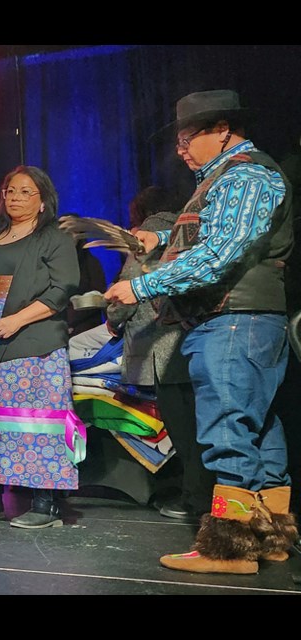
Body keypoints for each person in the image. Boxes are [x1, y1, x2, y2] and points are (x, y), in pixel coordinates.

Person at [105, 90, 296, 574]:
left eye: (189, 137)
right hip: (242, 322)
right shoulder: (222, 179)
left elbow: (219, 255)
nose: (180, 149)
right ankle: (269, 538)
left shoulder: (248, 173)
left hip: (235, 320)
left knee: (228, 429)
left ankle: (229, 549)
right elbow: (215, 232)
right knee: (260, 427)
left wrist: (141, 285)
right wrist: (162, 237)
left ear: (224, 130)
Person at [0, 166, 81, 529]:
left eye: (25, 192)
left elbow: (62, 289)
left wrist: (17, 320)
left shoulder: (54, 238)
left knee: (36, 424)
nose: (14, 198)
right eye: (9, 191)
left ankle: (45, 506)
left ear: (43, 200)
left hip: (33, 341)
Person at [106, 187, 213, 522]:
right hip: (194, 339)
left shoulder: (148, 235)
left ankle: (197, 502)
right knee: (201, 426)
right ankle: (206, 498)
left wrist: (113, 319)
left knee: (182, 429)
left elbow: (131, 283)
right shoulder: (191, 228)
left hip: (160, 345)